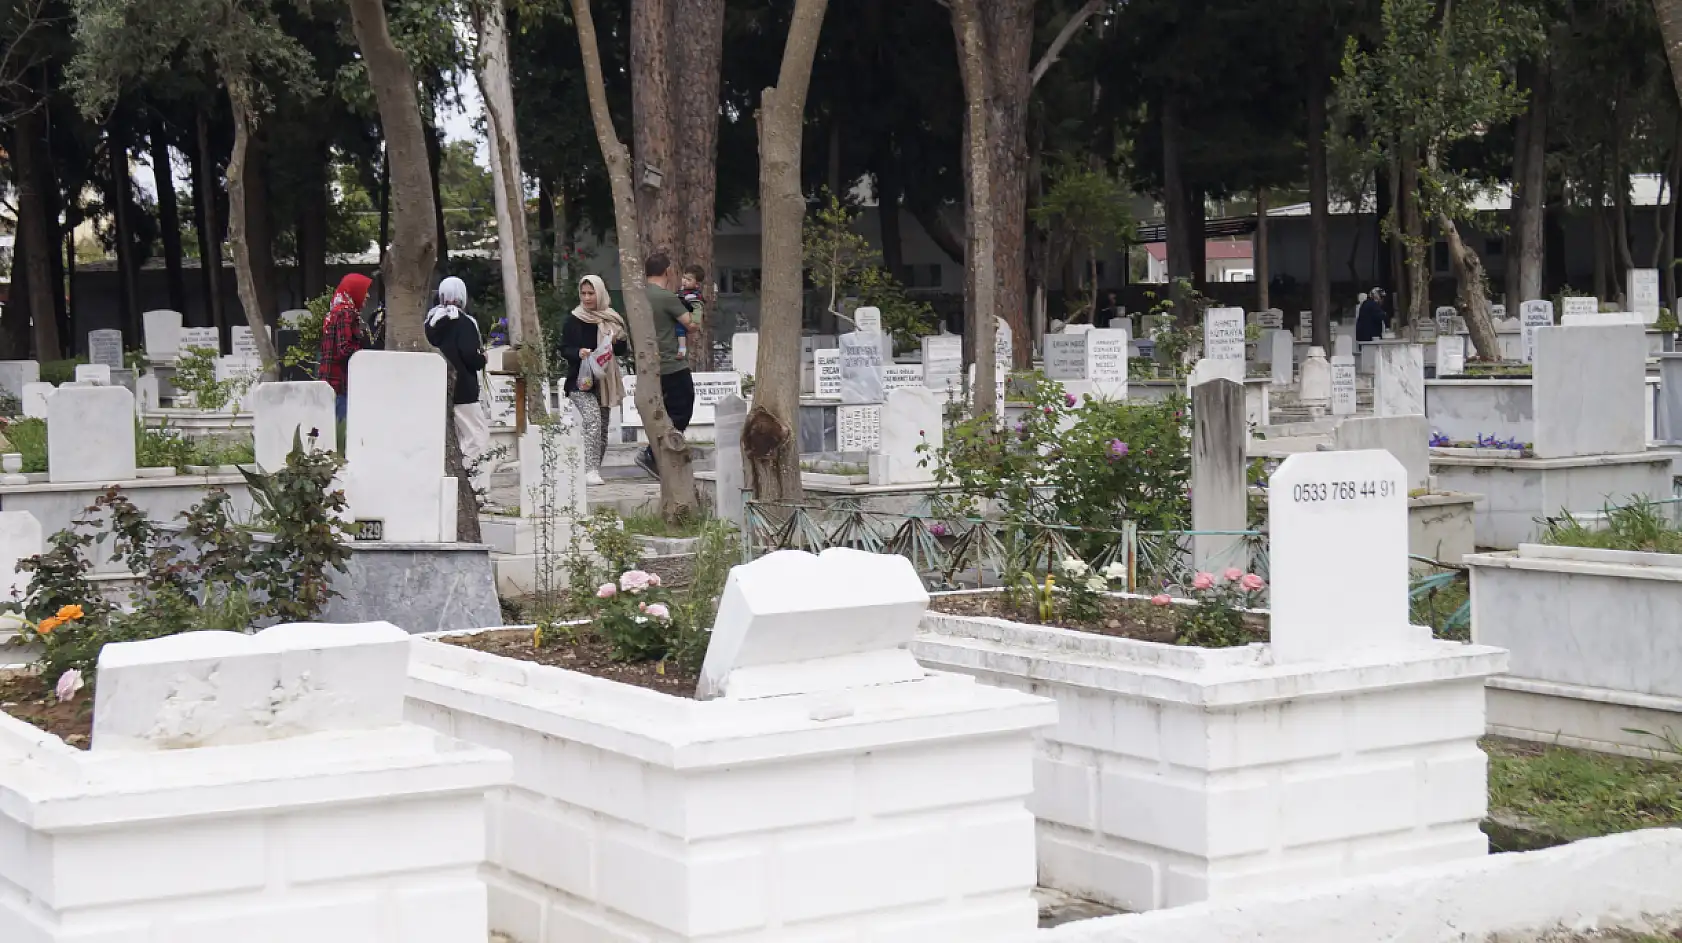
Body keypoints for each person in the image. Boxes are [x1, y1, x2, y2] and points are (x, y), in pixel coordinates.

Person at [425, 277, 491, 492]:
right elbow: (471, 356)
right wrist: (483, 359)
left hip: (436, 389)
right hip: (464, 391)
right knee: (477, 436)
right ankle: (473, 485)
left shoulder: (431, 322)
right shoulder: (464, 322)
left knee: (454, 437)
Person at [562, 274, 629, 486]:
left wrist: (615, 339)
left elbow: (620, 350)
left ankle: (592, 469)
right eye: (583, 293)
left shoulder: (611, 319)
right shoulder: (574, 319)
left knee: (602, 426)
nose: (587, 298)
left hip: (604, 381)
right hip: (580, 381)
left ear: (600, 293)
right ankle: (589, 469)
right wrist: (578, 352)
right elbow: (564, 348)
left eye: (591, 293)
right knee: (592, 421)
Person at [635, 252, 697, 479]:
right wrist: (696, 306)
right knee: (682, 408)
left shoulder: (638, 297)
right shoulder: (667, 297)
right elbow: (691, 325)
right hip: (673, 363)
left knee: (662, 412)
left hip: (649, 365)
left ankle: (659, 455)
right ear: (667, 271)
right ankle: (652, 453)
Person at [319, 273, 372, 422]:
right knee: (342, 432)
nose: (367, 296)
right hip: (341, 384)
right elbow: (345, 348)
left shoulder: (335, 311)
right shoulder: (346, 313)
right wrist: (366, 354)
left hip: (330, 382)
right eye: (364, 291)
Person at [677, 264, 707, 359]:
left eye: (689, 280)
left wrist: (695, 321)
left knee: (680, 330)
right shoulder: (683, 290)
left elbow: (698, 309)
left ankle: (682, 349)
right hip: (680, 315)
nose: (684, 281)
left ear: (697, 284)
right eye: (684, 278)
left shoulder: (694, 296)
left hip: (687, 318)